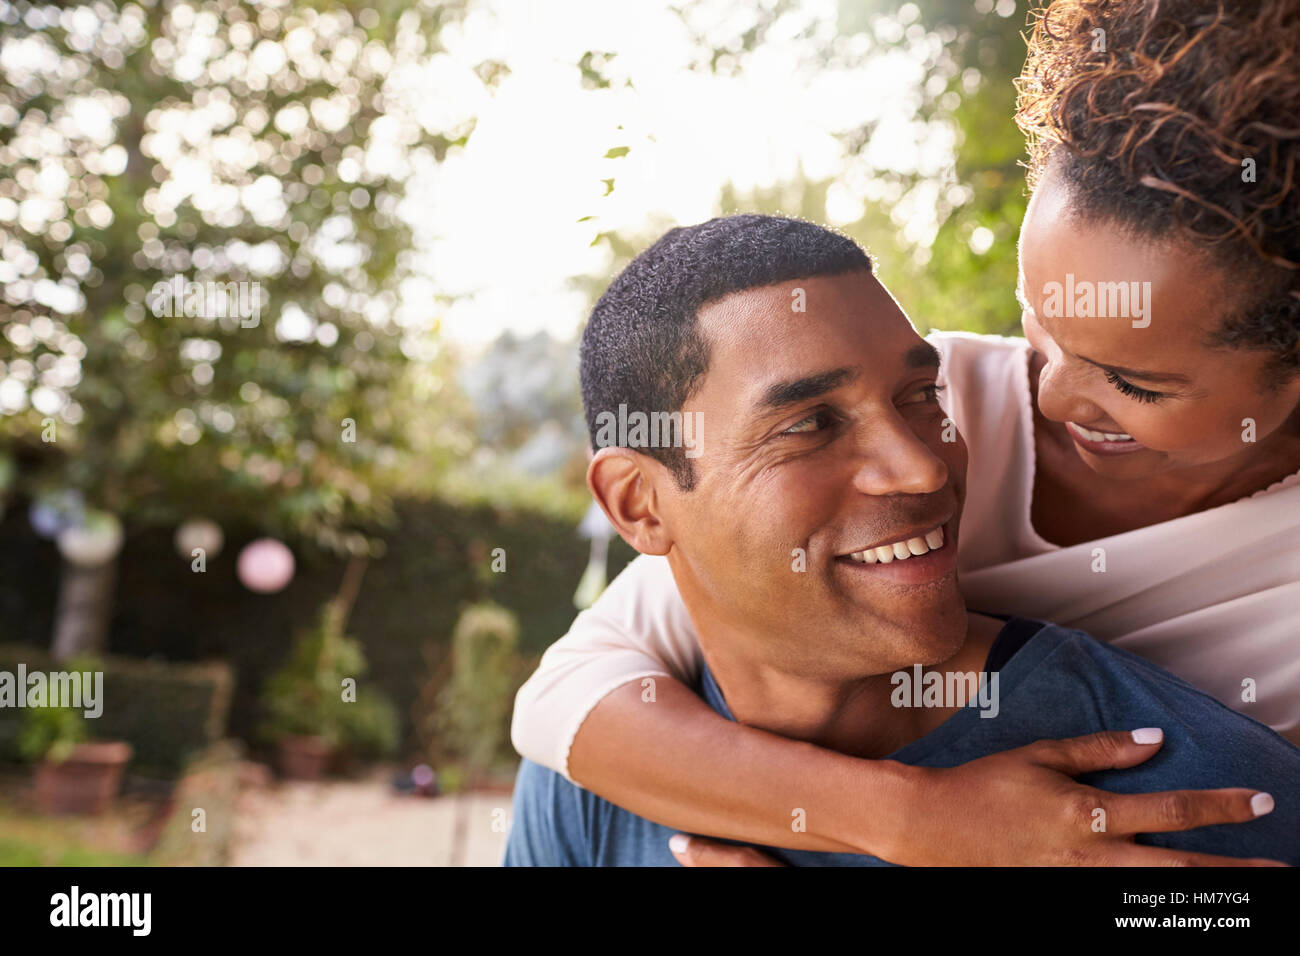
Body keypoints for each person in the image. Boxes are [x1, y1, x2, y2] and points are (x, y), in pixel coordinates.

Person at [508, 0, 1300, 865]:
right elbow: (566, 697)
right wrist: (913, 821)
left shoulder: (1216, 771)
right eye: (1041, 322)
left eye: (1134, 380)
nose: (1051, 397)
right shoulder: (945, 394)